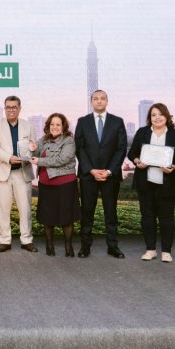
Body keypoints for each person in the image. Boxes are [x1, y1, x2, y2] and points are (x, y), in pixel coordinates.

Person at [127, 103, 175, 263]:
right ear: (149, 118)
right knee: (147, 218)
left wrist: (174, 166)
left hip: (167, 183)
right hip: (145, 182)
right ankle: (150, 249)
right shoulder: (142, 132)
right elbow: (132, 153)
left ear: (167, 116)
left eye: (160, 114)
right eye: (153, 115)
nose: (157, 118)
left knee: (167, 218)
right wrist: (137, 161)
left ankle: (166, 251)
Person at [74, 90, 127, 259]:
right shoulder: (82, 122)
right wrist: (91, 169)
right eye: (95, 99)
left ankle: (113, 247)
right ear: (91, 102)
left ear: (107, 101)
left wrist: (109, 171)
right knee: (87, 212)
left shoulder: (117, 122)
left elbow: (121, 148)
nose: (99, 101)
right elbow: (79, 148)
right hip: (88, 175)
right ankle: (85, 247)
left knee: (110, 212)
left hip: (110, 176)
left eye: (102, 98)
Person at [0, 95, 37, 253]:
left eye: (14, 107)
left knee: (25, 208)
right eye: (8, 107)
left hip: (22, 172)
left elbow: (33, 145)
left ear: (19, 108)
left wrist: (32, 149)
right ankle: (5, 240)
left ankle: (26, 240)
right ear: (5, 108)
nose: (11, 110)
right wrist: (8, 158)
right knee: (3, 208)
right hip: (3, 172)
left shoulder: (28, 125)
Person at [31, 113, 80, 257]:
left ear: (63, 126)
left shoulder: (69, 140)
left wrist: (40, 161)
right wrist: (32, 148)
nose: (55, 127)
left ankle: (68, 247)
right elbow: (35, 153)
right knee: (48, 217)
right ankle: (49, 246)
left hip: (65, 184)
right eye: (52, 124)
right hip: (46, 184)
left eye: (58, 124)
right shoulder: (43, 140)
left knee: (67, 217)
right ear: (48, 126)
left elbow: (62, 159)